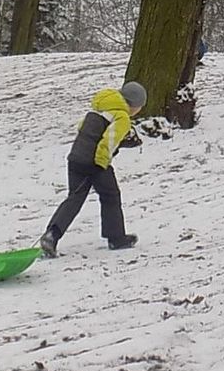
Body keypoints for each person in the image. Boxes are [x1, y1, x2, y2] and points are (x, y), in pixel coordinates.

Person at [39, 81, 148, 257]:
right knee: (111, 195)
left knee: (74, 198)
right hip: (94, 162)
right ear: (134, 104)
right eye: (140, 107)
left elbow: (82, 128)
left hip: (76, 157)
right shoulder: (122, 116)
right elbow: (108, 141)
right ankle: (116, 238)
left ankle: (51, 235)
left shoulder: (99, 108)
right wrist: (101, 163)